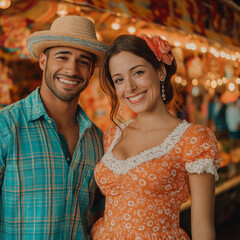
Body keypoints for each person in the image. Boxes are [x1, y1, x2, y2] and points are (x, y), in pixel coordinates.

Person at [0, 15, 108, 239]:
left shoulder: (97, 139)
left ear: (91, 70)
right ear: (43, 61)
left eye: (83, 61)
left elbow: (102, 215)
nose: (72, 70)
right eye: (62, 57)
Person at [90, 34, 221, 240]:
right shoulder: (112, 134)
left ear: (160, 71)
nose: (130, 87)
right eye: (119, 79)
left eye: (138, 72)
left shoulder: (193, 139)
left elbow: (203, 228)